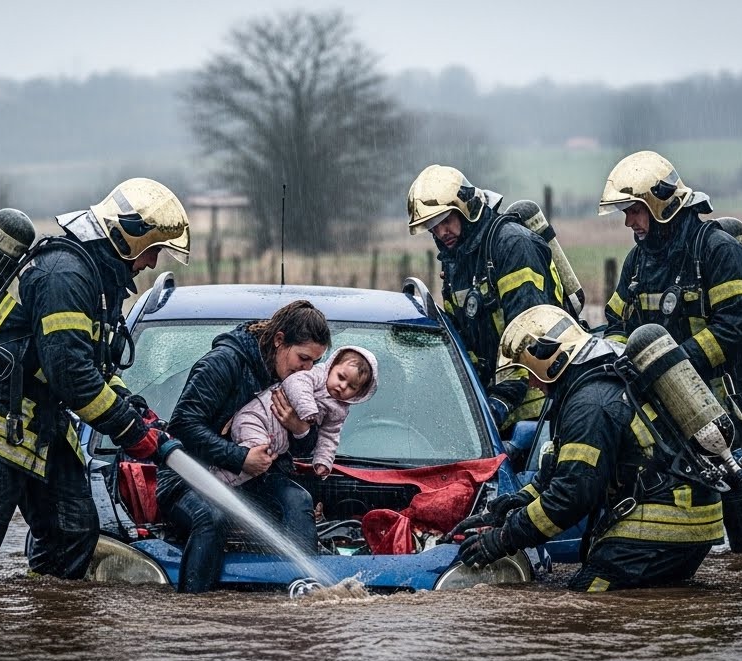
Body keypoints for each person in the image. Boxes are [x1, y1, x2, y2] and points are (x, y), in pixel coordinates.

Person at [0, 178, 190, 588]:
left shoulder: (97, 278)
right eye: (153, 250)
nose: (152, 263)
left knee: (72, 533)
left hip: (40, 424)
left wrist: (135, 409)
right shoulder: (65, 275)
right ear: (128, 237)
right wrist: (133, 433)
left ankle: (47, 615)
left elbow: (92, 368)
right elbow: (73, 378)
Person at [451, 305, 725, 591]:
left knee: (586, 602)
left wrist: (503, 540)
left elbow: (571, 496)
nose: (531, 382)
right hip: (689, 519)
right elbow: (562, 471)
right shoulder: (596, 372)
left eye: (530, 371)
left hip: (662, 526)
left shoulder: (589, 404)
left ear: (551, 359)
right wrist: (509, 505)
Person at [597, 150, 742, 557]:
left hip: (729, 412)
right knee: (675, 517)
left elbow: (737, 325)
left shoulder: (717, 250)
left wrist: (672, 364)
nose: (629, 221)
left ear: (660, 205)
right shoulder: (638, 261)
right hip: (668, 414)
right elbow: (614, 322)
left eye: (633, 210)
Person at [158, 299, 333, 593]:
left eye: (315, 363)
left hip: (254, 478)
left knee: (298, 500)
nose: (307, 369)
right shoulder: (224, 362)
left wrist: (300, 428)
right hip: (187, 477)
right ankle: (192, 611)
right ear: (279, 341)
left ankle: (307, 601)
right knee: (211, 518)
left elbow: (304, 450)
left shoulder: (296, 381)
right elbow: (182, 427)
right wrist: (240, 457)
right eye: (303, 359)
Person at [406, 164, 571, 431]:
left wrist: (501, 399)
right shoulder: (457, 260)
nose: (440, 232)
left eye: (446, 220)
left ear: (466, 208)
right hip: (492, 401)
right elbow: (465, 337)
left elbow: (529, 331)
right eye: (432, 227)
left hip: (539, 407)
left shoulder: (512, 246)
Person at [211, 346, 379, 486]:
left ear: (359, 394)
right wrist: (307, 410)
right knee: (254, 454)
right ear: (332, 366)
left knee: (260, 461)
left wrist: (323, 460)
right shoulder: (317, 375)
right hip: (257, 417)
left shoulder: (340, 410)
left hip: (275, 441)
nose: (342, 386)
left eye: (352, 386)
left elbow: (330, 435)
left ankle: (218, 483)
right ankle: (214, 481)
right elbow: (295, 383)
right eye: (341, 377)